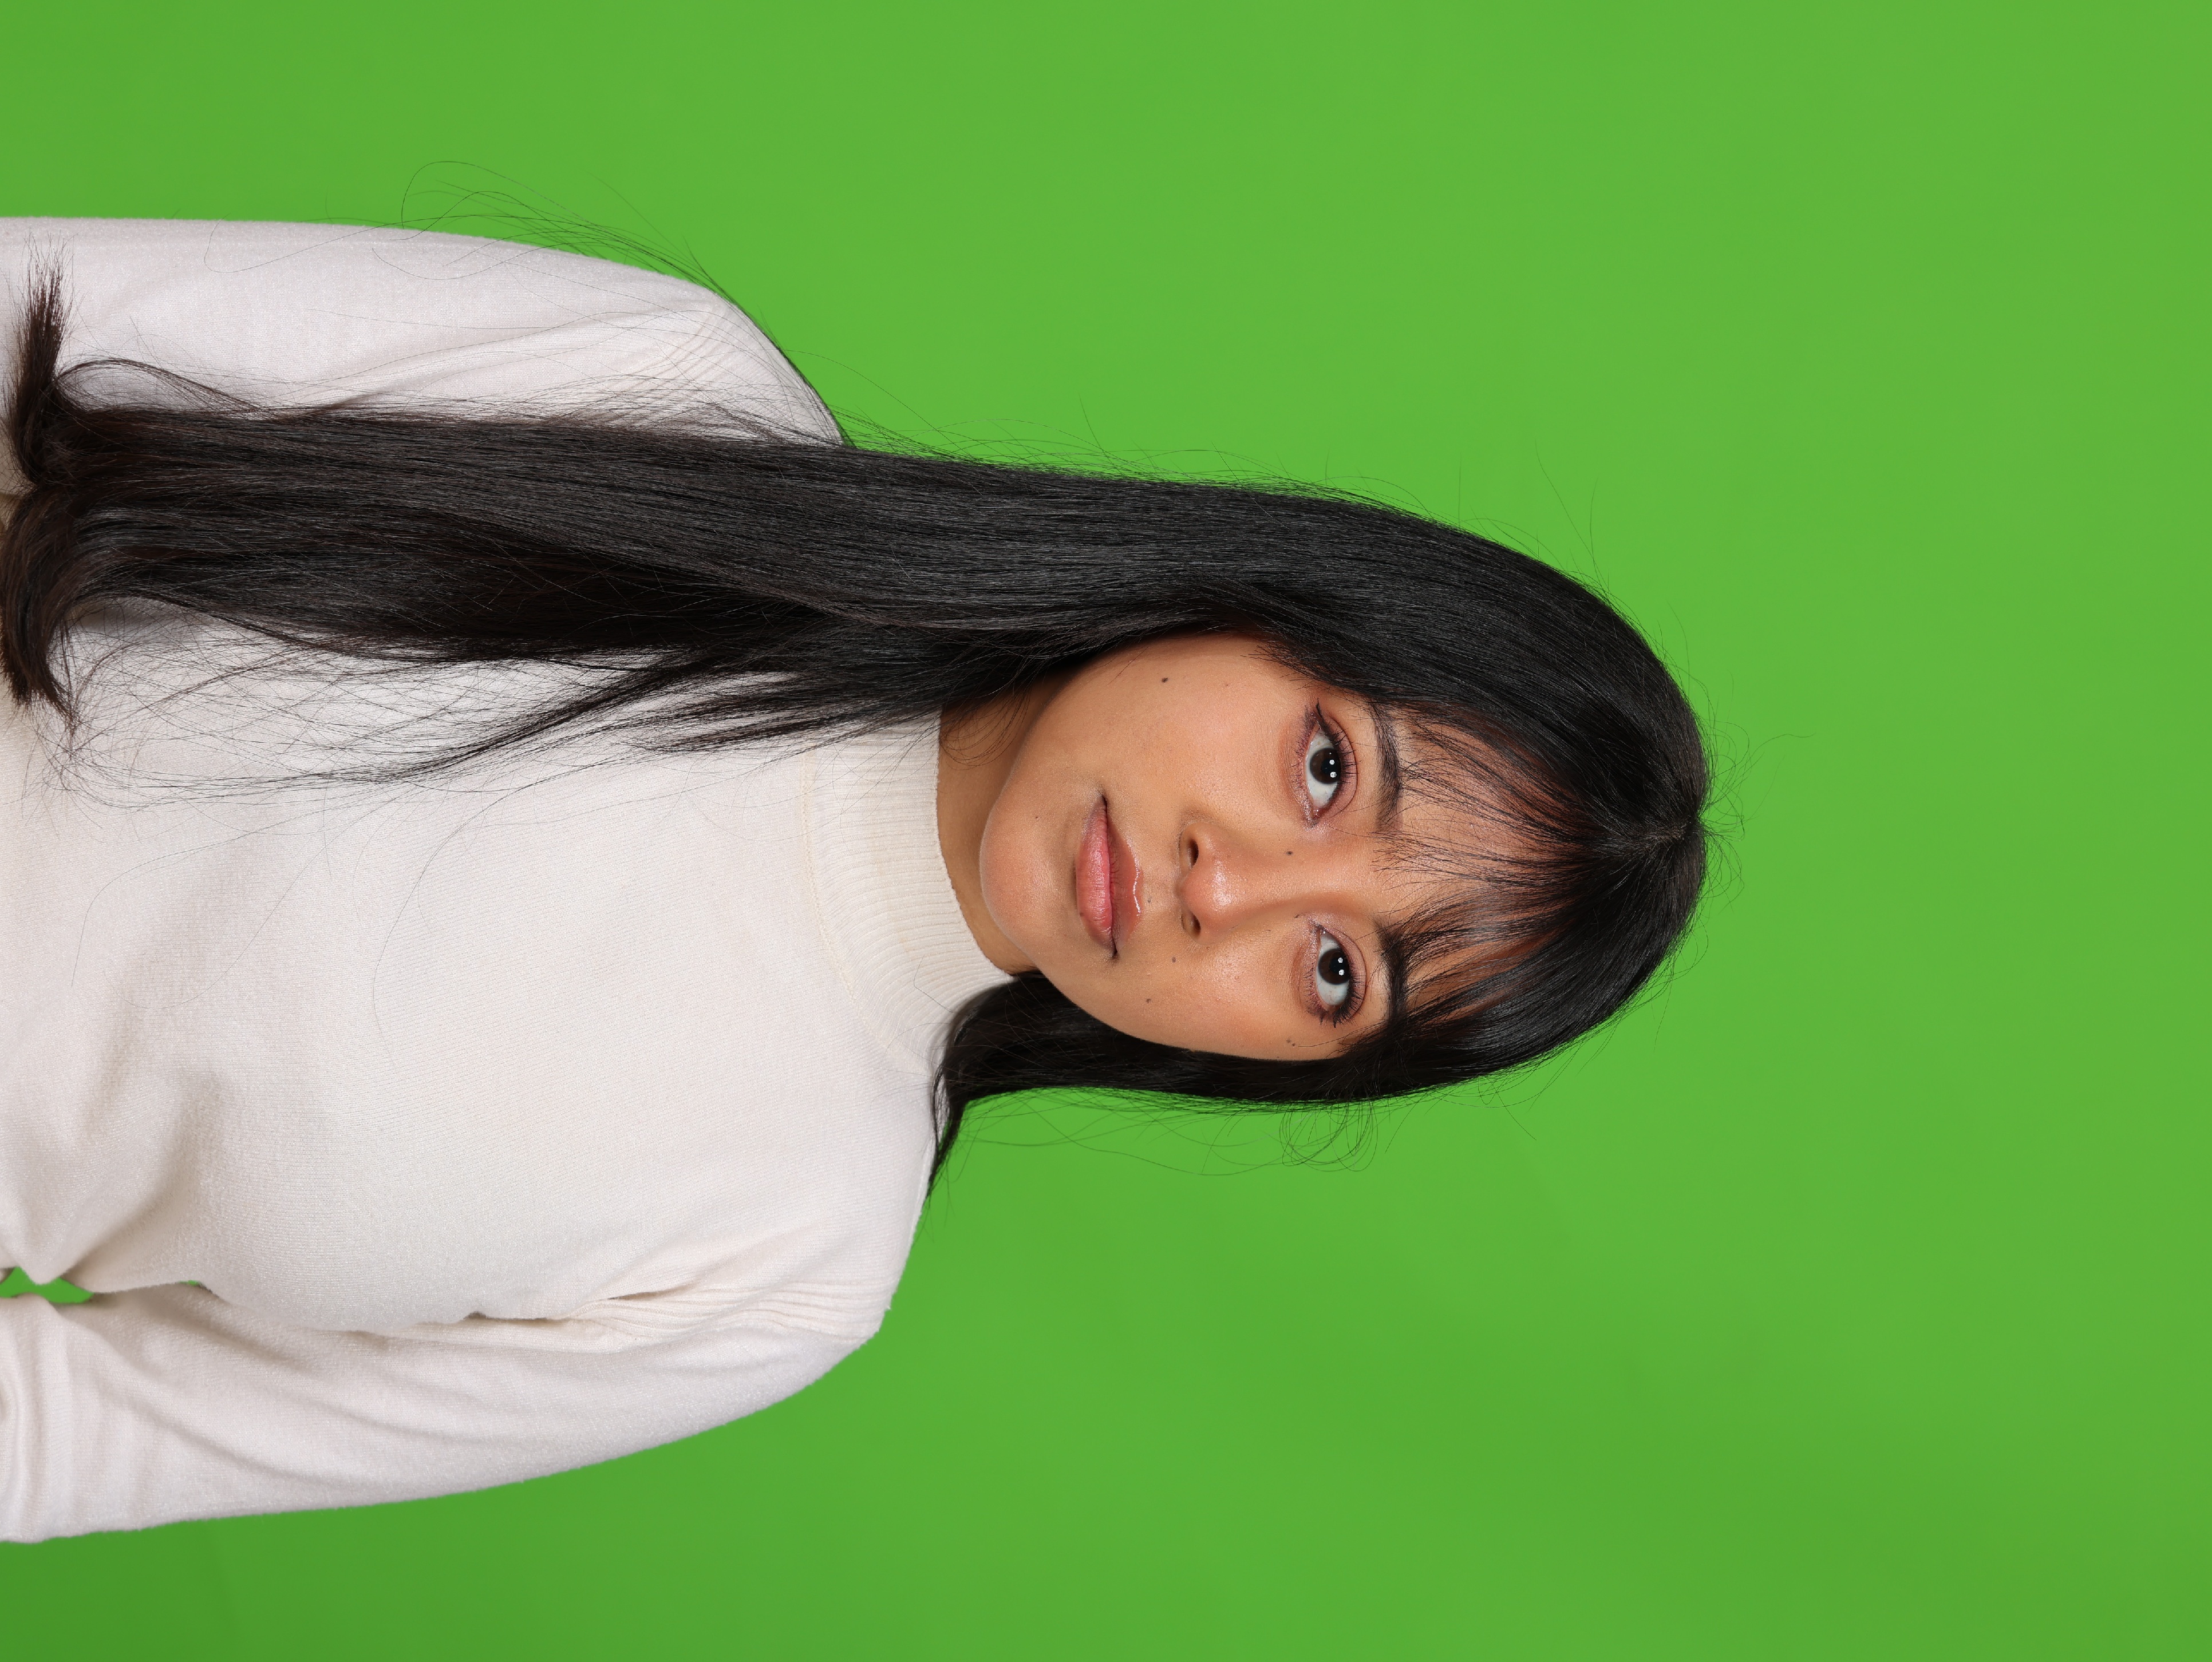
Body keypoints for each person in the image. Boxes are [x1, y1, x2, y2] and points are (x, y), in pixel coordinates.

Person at [0, 219, 1709, 1542]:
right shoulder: (666, 403)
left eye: (1337, 973)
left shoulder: (788, 1268)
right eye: (1327, 768)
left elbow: (73, 1438)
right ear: (1274, 606)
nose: (1231, 890)